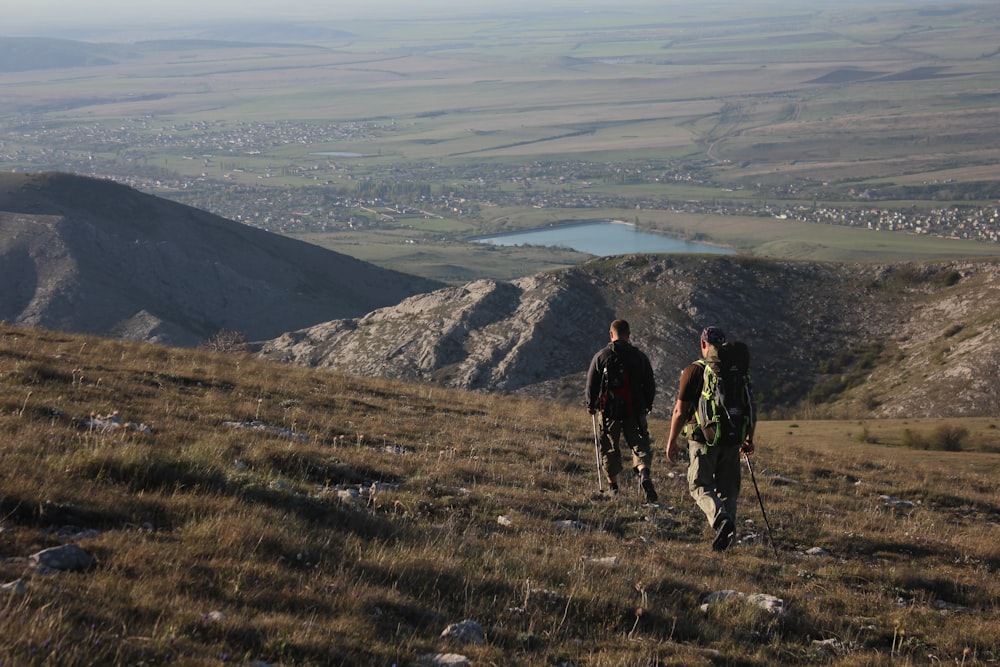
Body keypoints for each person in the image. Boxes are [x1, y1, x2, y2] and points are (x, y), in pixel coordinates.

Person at [665, 326, 756, 551]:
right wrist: (748, 438)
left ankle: (720, 520)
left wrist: (672, 440)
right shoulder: (739, 374)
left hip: (703, 439)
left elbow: (680, 411)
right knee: (729, 491)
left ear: (704, 344)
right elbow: (751, 407)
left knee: (699, 485)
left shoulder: (694, 371)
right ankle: (727, 543)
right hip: (733, 439)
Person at [585, 319, 658, 501]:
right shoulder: (640, 357)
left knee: (609, 448)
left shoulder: (602, 356)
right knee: (640, 446)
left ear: (611, 334)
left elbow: (591, 384)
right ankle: (643, 473)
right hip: (635, 410)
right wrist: (648, 403)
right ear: (629, 335)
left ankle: (614, 487)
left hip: (609, 412)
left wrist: (591, 405)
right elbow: (649, 383)